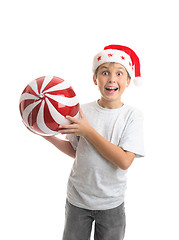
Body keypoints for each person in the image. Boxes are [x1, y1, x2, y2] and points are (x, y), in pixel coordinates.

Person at [43, 44, 145, 240]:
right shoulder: (81, 110)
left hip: (111, 204)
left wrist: (89, 132)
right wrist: (48, 137)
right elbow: (76, 150)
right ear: (95, 79)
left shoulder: (132, 116)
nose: (112, 79)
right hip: (78, 200)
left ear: (128, 81)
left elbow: (124, 161)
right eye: (105, 72)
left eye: (119, 73)